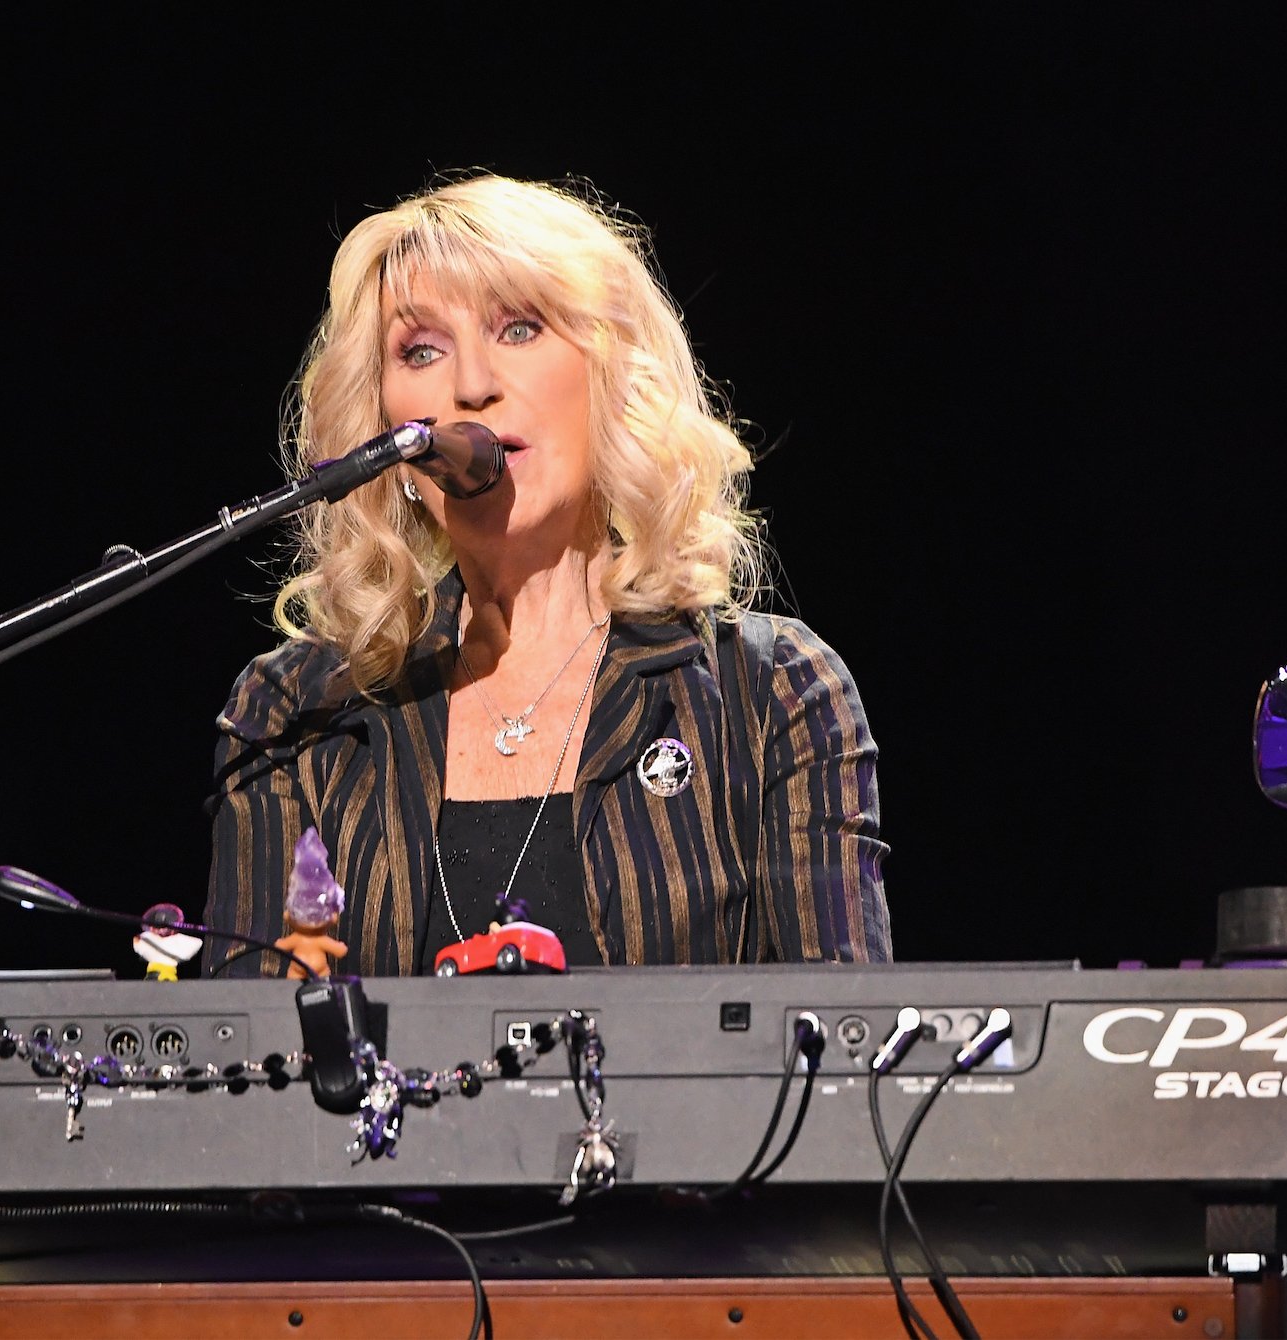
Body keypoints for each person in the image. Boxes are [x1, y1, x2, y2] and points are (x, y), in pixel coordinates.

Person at [203, 175, 889, 978]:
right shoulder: (296, 713)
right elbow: (243, 1068)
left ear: (611, 373)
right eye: (420, 350)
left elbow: (847, 1061)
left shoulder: (768, 692)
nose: (469, 386)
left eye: (519, 329)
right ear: (385, 428)